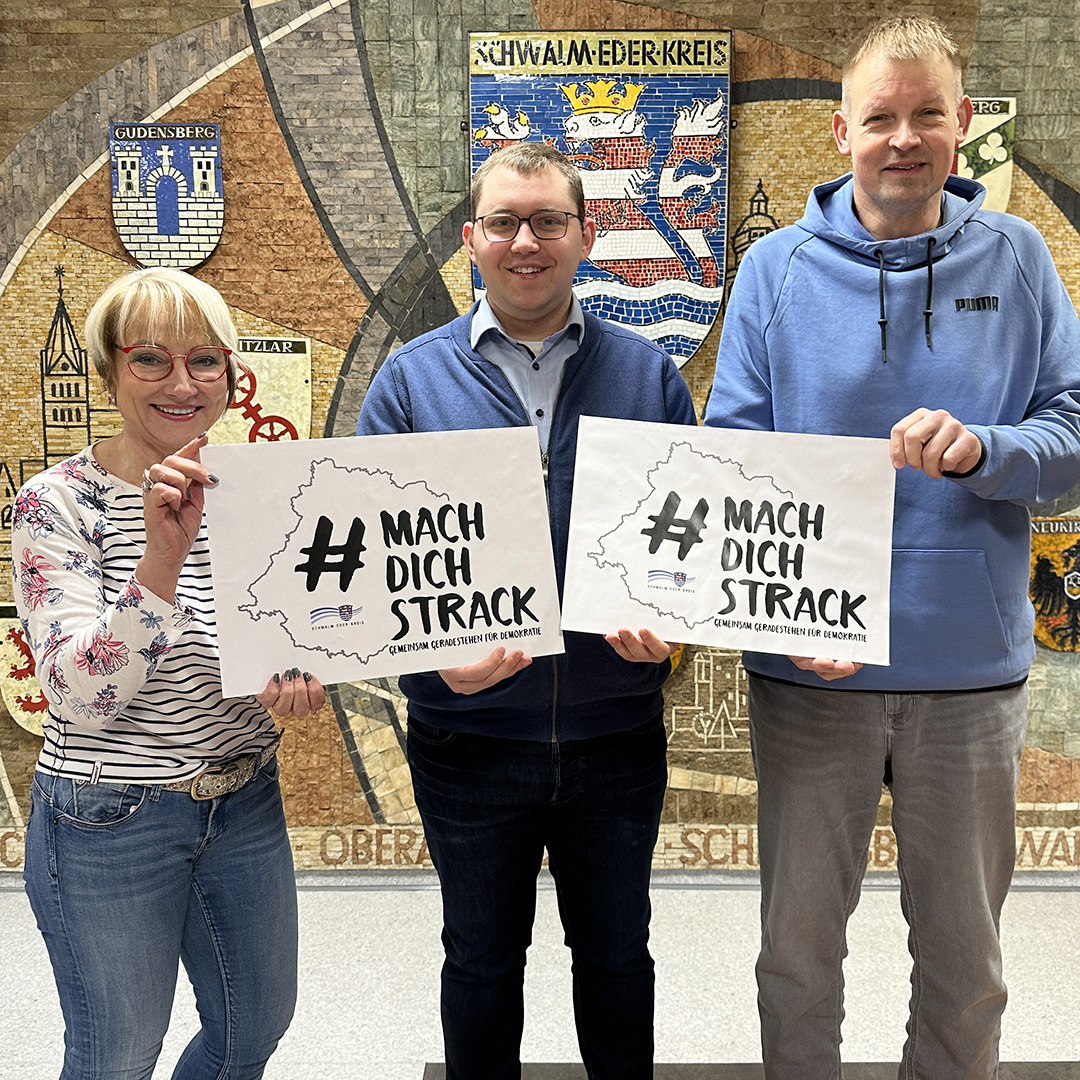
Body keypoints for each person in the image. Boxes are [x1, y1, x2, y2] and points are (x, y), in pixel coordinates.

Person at [705, 15, 1080, 1078]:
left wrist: (988, 449)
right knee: (796, 963)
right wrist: (779, 614)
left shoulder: (1019, 258)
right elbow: (734, 458)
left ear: (962, 126)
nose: (904, 137)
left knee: (966, 970)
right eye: (880, 117)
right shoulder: (774, 269)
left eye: (927, 115)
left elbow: (1072, 433)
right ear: (842, 132)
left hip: (967, 674)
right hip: (808, 676)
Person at [357, 141, 697, 1079]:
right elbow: (374, 573)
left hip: (615, 735)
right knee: (479, 961)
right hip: (466, 740)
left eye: (549, 220)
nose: (525, 241)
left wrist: (671, 638)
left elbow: (694, 549)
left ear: (586, 236)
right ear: (472, 240)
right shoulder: (410, 383)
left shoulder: (650, 377)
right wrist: (430, 663)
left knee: (617, 956)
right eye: (504, 221)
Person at [13, 267, 326, 1080]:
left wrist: (303, 669)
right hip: (108, 815)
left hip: (243, 797)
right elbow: (79, 695)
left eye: (205, 360)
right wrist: (162, 558)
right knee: (117, 1055)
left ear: (230, 374)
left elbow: (294, 629)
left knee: (252, 1030)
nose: (182, 383)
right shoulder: (59, 504)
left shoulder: (264, 493)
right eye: (150, 358)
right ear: (108, 372)